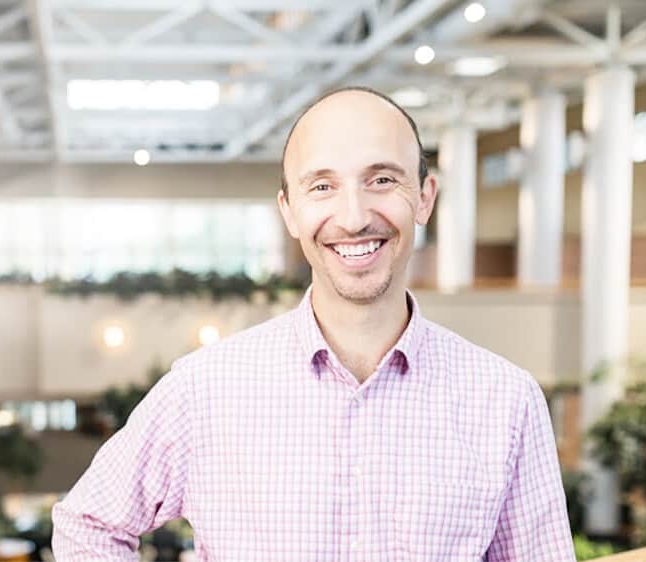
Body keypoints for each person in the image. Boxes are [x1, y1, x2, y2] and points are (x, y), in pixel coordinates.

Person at [51, 87, 574, 561]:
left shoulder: (506, 400)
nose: (352, 216)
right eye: (322, 186)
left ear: (425, 196)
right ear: (290, 211)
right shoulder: (203, 390)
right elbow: (88, 525)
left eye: (382, 180)